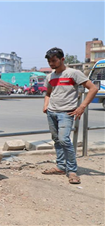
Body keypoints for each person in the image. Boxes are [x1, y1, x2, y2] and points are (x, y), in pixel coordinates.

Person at [42, 47, 98, 184]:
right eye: (49, 61)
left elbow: (93, 88)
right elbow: (49, 92)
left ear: (62, 59)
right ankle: (61, 166)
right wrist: (46, 105)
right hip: (52, 112)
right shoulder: (50, 76)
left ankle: (72, 170)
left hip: (66, 112)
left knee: (64, 140)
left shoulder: (73, 73)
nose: (51, 64)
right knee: (56, 140)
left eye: (54, 61)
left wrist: (82, 107)